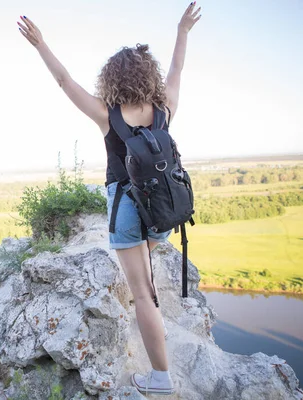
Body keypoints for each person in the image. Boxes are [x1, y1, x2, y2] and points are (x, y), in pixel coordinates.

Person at [17, 2, 201, 395]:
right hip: (166, 209)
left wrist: (41, 45)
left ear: (112, 79)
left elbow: (65, 81)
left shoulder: (107, 114)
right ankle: (157, 328)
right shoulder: (165, 110)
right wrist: (182, 30)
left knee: (142, 295)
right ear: (147, 74)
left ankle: (160, 379)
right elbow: (178, 69)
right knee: (146, 275)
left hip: (126, 207)